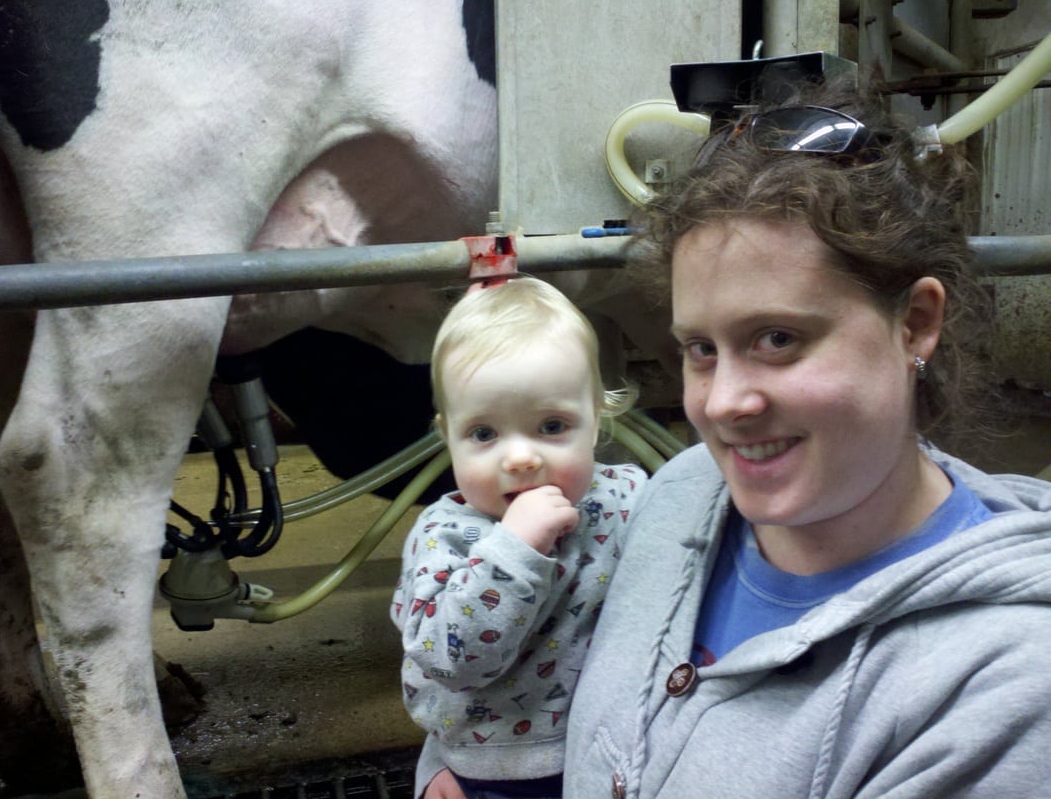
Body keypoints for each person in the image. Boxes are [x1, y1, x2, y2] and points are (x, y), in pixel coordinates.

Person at [557, 75, 1051, 798]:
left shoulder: (997, 689)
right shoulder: (681, 496)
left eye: (777, 338)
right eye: (700, 349)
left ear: (913, 322)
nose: (722, 404)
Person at [390, 276, 646, 799]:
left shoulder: (628, 497)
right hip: (497, 773)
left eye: (551, 426)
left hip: (617, 752)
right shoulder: (448, 537)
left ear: (596, 419)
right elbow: (447, 662)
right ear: (448, 436)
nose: (521, 457)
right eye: (484, 434)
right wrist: (515, 550)